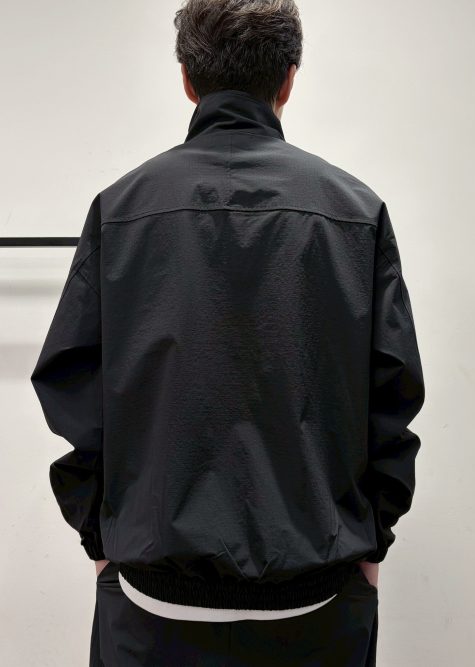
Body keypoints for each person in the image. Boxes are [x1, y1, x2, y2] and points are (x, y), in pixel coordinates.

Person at [30, 0, 425, 665]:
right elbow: (394, 399)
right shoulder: (357, 213)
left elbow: (71, 388)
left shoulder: (120, 210)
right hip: (318, 603)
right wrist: (371, 539)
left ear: (187, 79)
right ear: (289, 79)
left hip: (152, 606)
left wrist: (102, 537)